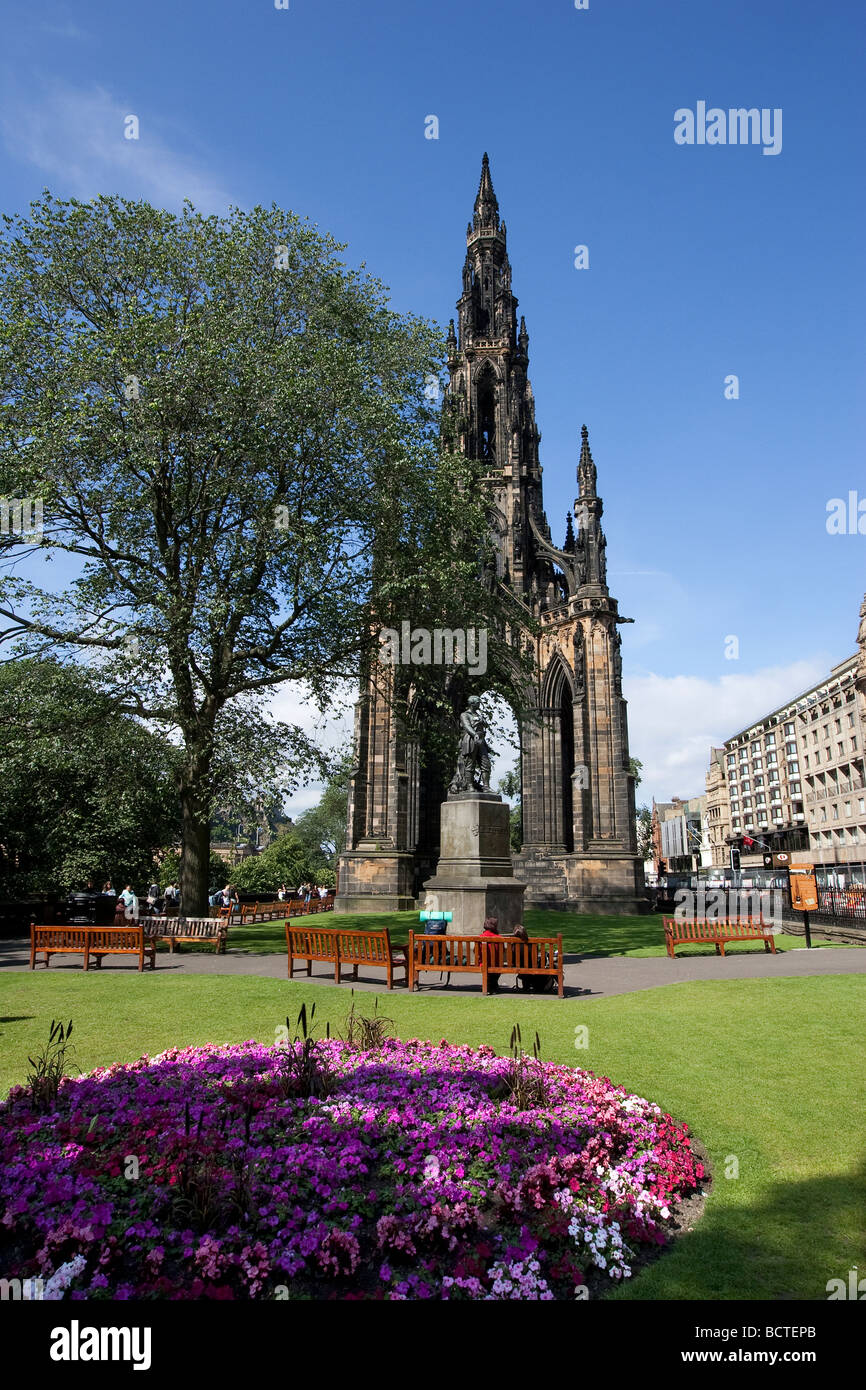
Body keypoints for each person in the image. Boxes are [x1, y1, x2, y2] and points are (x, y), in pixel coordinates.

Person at [481, 916, 502, 994]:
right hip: (496, 964)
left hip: (483, 963)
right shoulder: (499, 938)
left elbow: (476, 951)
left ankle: (489, 984)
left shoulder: (481, 937)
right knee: (497, 964)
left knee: (486, 962)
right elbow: (502, 951)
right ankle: (493, 984)